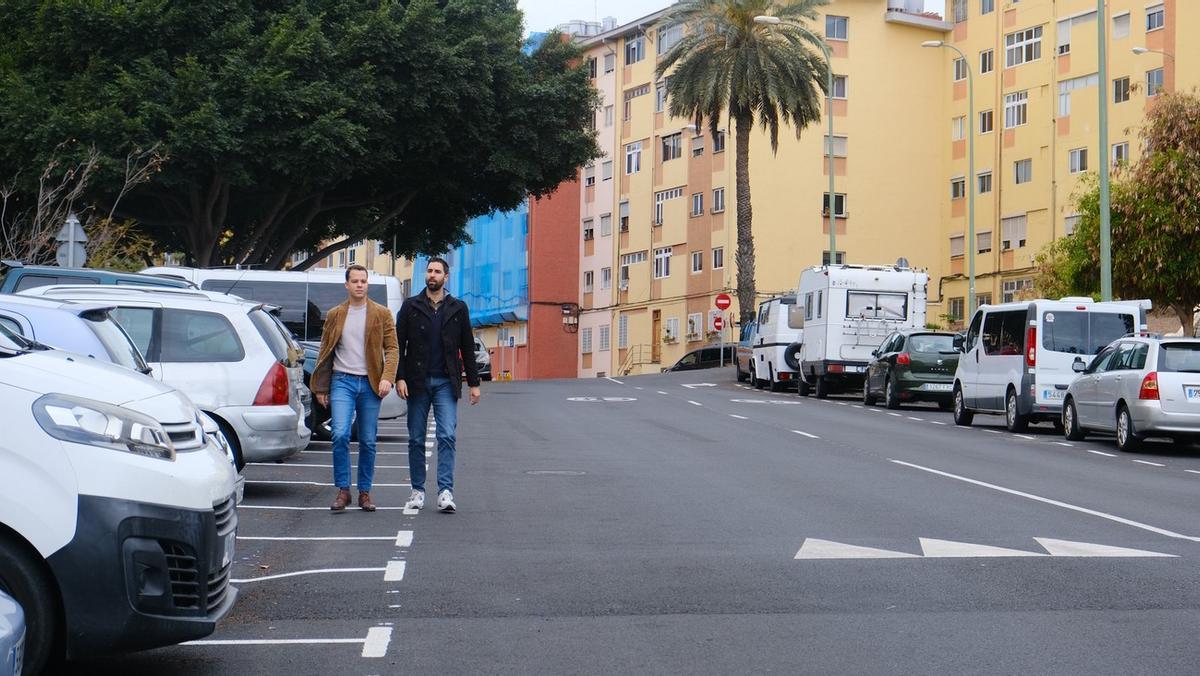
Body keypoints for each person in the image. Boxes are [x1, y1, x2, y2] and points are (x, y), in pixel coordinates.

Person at [311, 264, 399, 512]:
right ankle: (343, 490)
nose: (360, 285)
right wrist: (321, 386)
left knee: (368, 440)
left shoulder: (381, 314)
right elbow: (325, 351)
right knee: (339, 434)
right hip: (342, 381)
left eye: (364, 281)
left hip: (370, 383)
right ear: (347, 285)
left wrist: (387, 377)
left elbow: (392, 348)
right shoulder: (336, 314)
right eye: (356, 281)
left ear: (367, 284)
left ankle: (364, 492)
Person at [395, 257, 481, 513]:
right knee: (416, 439)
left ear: (446, 276)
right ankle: (417, 491)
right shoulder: (411, 306)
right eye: (429, 271)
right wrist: (399, 376)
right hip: (416, 381)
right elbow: (399, 345)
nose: (432, 275)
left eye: (437, 271)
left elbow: (467, 347)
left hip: (446, 381)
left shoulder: (458, 308)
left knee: (447, 435)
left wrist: (474, 383)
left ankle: (445, 492)